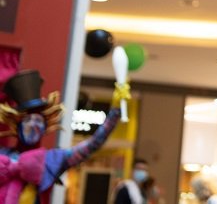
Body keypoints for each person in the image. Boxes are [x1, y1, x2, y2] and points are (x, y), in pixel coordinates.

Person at [0, 69, 124, 204]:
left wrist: (115, 111)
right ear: (17, 126)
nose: (33, 126)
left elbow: (92, 144)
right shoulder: (3, 156)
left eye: (38, 121)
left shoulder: (52, 159)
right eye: (27, 120)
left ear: (45, 127)